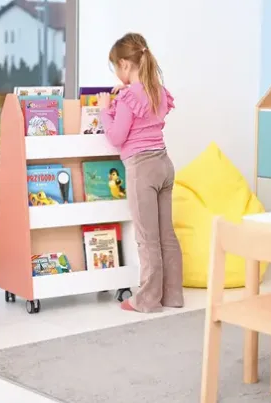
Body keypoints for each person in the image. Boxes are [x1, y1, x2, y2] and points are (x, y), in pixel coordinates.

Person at [97, 33, 184, 313]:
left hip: (141, 168)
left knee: (147, 239)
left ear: (124, 64)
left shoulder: (127, 98)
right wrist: (123, 93)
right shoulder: (157, 91)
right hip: (164, 164)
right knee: (166, 235)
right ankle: (173, 296)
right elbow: (144, 111)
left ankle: (146, 300)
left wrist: (104, 110)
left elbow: (116, 137)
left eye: (116, 67)